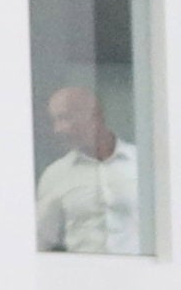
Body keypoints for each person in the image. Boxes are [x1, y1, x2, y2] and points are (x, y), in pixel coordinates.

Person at [35, 83, 142, 253]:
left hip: (144, 274)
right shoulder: (55, 175)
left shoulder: (141, 164)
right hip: (82, 275)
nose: (58, 129)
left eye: (65, 118)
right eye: (55, 121)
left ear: (95, 116)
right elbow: (42, 240)